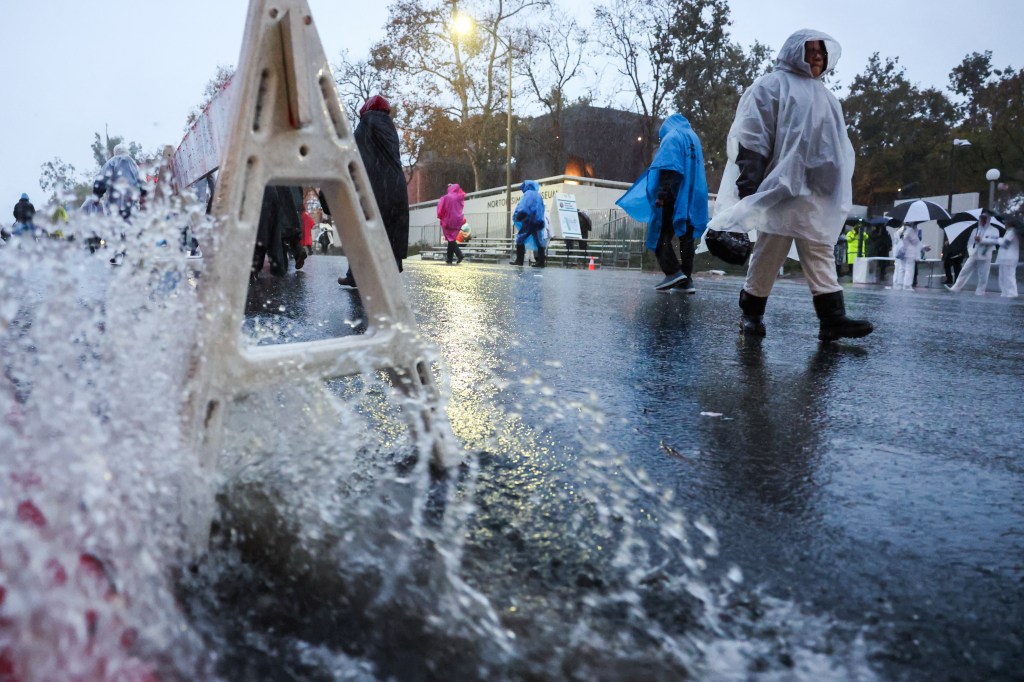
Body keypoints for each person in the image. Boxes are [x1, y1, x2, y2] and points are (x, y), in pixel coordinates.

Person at [708, 29, 873, 341]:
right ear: (794, 51)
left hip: (815, 193)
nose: (817, 57)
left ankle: (832, 319)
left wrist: (832, 185)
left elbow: (837, 148)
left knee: (820, 250)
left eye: (821, 53)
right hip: (780, 188)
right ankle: (752, 316)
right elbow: (753, 133)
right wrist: (750, 181)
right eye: (810, 51)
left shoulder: (827, 98)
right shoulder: (772, 86)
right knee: (770, 251)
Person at [617, 113, 709, 292]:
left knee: (659, 234)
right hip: (694, 194)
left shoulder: (672, 137)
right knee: (687, 238)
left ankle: (673, 272)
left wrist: (661, 195)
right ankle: (686, 279)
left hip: (673, 195)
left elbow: (669, 167)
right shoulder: (693, 139)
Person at [338, 95, 410, 288]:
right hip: (396, 186)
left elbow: (351, 156)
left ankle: (354, 274)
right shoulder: (390, 128)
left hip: (375, 187)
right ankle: (392, 269)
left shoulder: (366, 125)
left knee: (361, 231)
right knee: (392, 231)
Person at [948, 211, 1000, 295]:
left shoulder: (994, 230)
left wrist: (982, 240)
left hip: (985, 255)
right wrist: (971, 251)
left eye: (984, 219)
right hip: (974, 254)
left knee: (983, 275)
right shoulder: (975, 230)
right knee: (964, 271)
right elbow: (970, 242)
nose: (982, 220)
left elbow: (994, 241)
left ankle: (980, 291)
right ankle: (956, 288)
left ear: (988, 220)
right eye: (981, 218)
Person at [510, 180, 547, 267]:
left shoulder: (528, 194)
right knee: (539, 241)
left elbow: (523, 206)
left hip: (529, 220)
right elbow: (541, 209)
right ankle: (541, 262)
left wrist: (518, 215)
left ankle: (519, 260)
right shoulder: (538, 195)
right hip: (538, 221)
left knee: (520, 238)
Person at [437, 183, 466, 264]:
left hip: (448, 220)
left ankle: (459, 254)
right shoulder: (459, 197)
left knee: (450, 239)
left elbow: (441, 209)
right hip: (458, 220)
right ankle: (449, 258)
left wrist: (440, 216)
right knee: (451, 239)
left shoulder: (446, 198)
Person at [892, 222, 922, 290]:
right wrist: (924, 247)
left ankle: (900, 284)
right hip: (910, 253)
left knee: (901, 269)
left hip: (902, 252)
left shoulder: (900, 230)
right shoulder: (910, 230)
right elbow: (916, 242)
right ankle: (907, 285)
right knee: (909, 269)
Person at [995, 218, 1020, 298]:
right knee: (1002, 276)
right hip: (1004, 258)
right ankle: (1005, 292)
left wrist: (998, 239)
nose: (1004, 224)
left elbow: (1005, 243)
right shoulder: (1008, 231)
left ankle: (1012, 293)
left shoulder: (1013, 231)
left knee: (1009, 276)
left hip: (1010, 258)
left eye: (1006, 223)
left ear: (1010, 224)